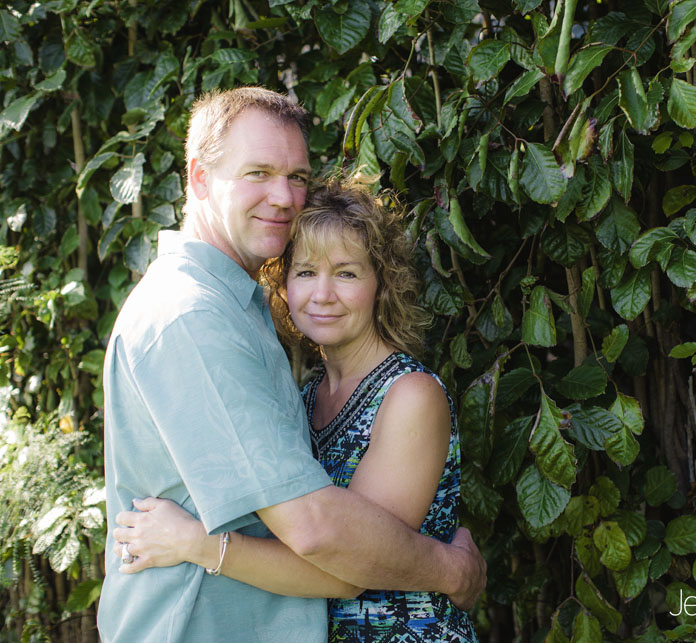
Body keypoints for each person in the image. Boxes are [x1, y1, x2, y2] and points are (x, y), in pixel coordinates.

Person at [98, 87, 485, 642]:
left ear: (383, 283)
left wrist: (201, 544)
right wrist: (450, 569)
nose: (283, 197)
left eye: (297, 177)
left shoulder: (236, 312)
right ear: (200, 178)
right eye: (257, 172)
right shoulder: (192, 317)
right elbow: (319, 532)